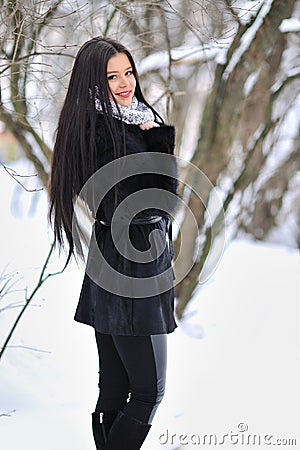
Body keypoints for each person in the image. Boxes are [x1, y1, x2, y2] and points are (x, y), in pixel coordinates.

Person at [49, 36, 179, 450]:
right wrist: (160, 146)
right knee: (147, 392)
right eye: (111, 76)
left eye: (128, 72)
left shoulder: (125, 119)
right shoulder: (101, 130)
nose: (125, 83)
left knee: (117, 386)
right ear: (92, 83)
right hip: (129, 269)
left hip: (122, 264)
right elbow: (142, 204)